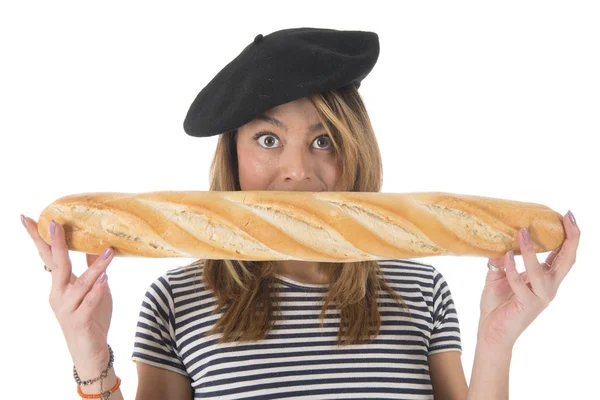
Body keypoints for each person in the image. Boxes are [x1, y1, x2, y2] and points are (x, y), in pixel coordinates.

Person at [22, 27, 580, 400]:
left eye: (323, 141)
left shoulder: (420, 288)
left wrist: (498, 340)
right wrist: (89, 352)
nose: (296, 172)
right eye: (267, 139)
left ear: (356, 150)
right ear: (232, 157)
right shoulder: (176, 300)